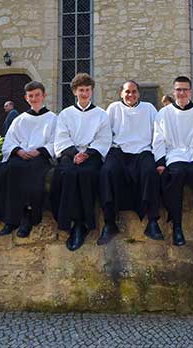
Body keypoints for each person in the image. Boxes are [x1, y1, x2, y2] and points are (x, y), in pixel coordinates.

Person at [152, 76, 193, 247]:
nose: (182, 93)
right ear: (174, 92)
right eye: (178, 89)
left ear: (190, 91)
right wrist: (160, 162)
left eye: (185, 89)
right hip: (174, 154)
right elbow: (158, 141)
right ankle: (177, 228)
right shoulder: (164, 114)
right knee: (176, 175)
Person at [52, 73, 112, 251]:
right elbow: (61, 137)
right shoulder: (66, 114)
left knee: (86, 174)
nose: (84, 93)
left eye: (87, 90)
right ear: (74, 92)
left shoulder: (101, 115)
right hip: (70, 154)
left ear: (91, 91)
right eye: (81, 90)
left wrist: (87, 153)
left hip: (91, 155)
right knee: (68, 174)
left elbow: (104, 138)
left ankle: (82, 224)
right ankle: (69, 222)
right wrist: (74, 153)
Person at [100, 80, 164, 244]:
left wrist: (159, 159)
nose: (131, 95)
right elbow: (106, 133)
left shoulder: (149, 109)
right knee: (107, 172)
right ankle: (109, 222)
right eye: (127, 92)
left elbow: (157, 134)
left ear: (139, 93)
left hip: (143, 150)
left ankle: (152, 221)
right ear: (121, 93)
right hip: (118, 149)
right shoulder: (114, 108)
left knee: (150, 172)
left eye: (134, 91)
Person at [0, 81, 55, 238]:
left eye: (37, 95)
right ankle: (11, 219)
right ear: (26, 98)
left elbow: (55, 141)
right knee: (8, 170)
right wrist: (18, 151)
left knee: (33, 174)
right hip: (20, 155)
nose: (34, 99)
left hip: (40, 157)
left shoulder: (53, 118)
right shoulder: (20, 119)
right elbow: (9, 141)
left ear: (44, 96)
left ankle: (28, 216)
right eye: (31, 96)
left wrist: (40, 151)